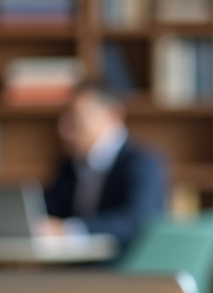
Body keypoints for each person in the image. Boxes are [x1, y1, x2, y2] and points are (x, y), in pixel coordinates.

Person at [42, 79, 167, 250]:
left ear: (112, 116)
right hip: (72, 268)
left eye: (75, 118)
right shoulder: (69, 166)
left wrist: (69, 230)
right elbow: (47, 209)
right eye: (64, 118)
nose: (63, 129)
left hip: (124, 271)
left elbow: (138, 220)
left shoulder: (143, 162)